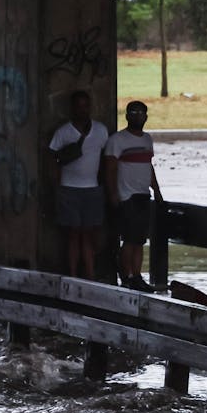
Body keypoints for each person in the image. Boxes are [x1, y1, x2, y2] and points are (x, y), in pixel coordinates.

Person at [103, 99, 165, 292]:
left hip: (143, 195)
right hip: (127, 196)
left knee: (139, 240)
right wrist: (113, 194)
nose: (138, 117)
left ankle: (137, 276)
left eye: (141, 113)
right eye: (134, 113)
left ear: (146, 117)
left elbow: (148, 166)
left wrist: (156, 189)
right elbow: (110, 169)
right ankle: (127, 276)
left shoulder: (147, 140)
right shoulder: (117, 140)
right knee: (129, 239)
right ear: (127, 116)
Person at [46, 89, 109, 279]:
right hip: (69, 190)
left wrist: (105, 184)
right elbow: (50, 157)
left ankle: (89, 275)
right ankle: (73, 274)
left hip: (92, 189)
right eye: (79, 106)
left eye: (86, 105)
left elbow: (106, 159)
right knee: (73, 235)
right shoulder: (63, 132)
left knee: (89, 234)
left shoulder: (101, 130)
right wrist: (56, 185)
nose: (83, 110)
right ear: (72, 108)